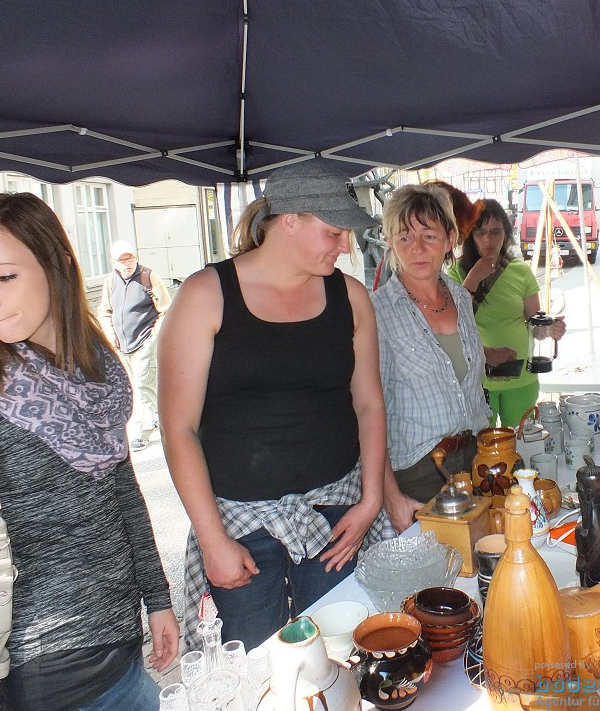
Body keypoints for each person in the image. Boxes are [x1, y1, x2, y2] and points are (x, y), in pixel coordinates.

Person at [0, 192, 178, 710]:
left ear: (57, 263)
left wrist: (158, 598)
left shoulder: (93, 368)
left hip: (122, 648)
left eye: (4, 276)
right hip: (43, 676)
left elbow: (121, 489)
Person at [158, 161, 387, 648]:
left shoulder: (350, 297)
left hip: (336, 515)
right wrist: (212, 539)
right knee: (254, 668)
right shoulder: (206, 295)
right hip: (238, 525)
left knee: (339, 653)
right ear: (290, 221)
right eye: (333, 232)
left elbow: (369, 404)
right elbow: (179, 430)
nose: (345, 245)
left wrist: (371, 500)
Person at [373, 183, 490, 532]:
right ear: (390, 243)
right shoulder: (377, 311)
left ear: (450, 237)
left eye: (429, 235)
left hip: (475, 459)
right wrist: (390, 496)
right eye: (405, 238)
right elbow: (368, 412)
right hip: (417, 472)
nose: (418, 249)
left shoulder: (460, 296)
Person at [448, 198, 565, 428]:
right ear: (470, 236)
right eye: (480, 232)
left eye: (495, 232)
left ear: (506, 234)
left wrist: (550, 328)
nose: (488, 240)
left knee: (522, 445)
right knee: (483, 450)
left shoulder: (520, 271)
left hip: (520, 377)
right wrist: (473, 278)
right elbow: (452, 324)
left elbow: (535, 324)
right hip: (478, 381)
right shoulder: (456, 273)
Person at [97, 240, 171, 451]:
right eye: (122, 260)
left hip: (145, 341)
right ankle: (158, 416)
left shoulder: (148, 277)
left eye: (130, 258)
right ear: (113, 262)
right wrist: (110, 335)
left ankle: (143, 432)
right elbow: (104, 311)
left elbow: (165, 309)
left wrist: (154, 335)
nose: (127, 263)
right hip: (122, 345)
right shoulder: (110, 282)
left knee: (140, 385)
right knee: (138, 386)